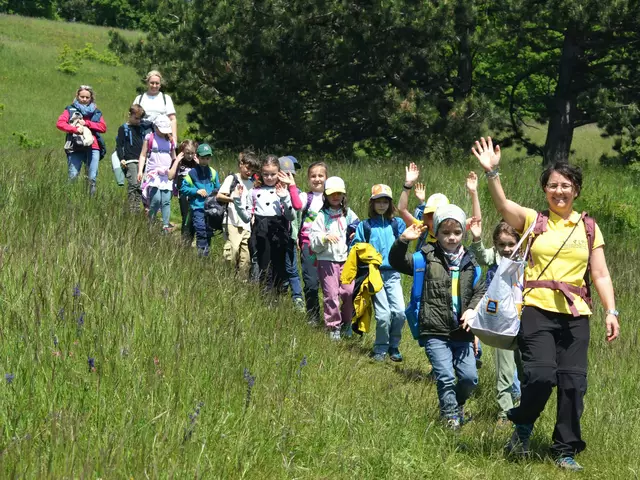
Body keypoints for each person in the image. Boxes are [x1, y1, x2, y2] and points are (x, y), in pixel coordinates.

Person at [472, 136, 620, 471]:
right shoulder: (533, 220)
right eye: (552, 186)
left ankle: (564, 450)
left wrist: (611, 311)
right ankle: (522, 424)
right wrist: (492, 174)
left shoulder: (589, 227)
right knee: (540, 376)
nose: (559, 191)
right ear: (545, 191)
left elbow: (600, 275)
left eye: (565, 185)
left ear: (576, 190)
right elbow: (503, 207)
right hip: (537, 309)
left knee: (573, 383)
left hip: (576, 314)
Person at [389, 205, 485, 429]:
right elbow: (397, 262)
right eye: (445, 233)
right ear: (437, 233)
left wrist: (471, 310)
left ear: (463, 233)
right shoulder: (426, 256)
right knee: (445, 376)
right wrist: (403, 240)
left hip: (462, 332)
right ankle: (450, 417)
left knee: (469, 378)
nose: (451, 238)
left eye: (457, 233)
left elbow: (481, 289)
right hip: (433, 328)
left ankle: (458, 405)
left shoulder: (470, 261)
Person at [468, 213, 522, 425]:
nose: (507, 249)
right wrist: (476, 238)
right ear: (496, 244)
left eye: (511, 244)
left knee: (526, 368)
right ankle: (504, 413)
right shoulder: (495, 258)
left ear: (519, 242)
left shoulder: (527, 261)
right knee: (505, 369)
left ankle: (525, 410)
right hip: (501, 322)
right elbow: (480, 255)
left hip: (524, 319)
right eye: (502, 244)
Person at [351, 184, 406, 362]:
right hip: (374, 274)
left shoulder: (397, 224)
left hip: (394, 274)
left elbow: (413, 232)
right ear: (372, 203)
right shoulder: (365, 226)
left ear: (390, 204)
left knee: (399, 312)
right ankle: (380, 348)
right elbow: (356, 247)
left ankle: (394, 346)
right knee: (383, 315)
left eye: (385, 202)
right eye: (378, 202)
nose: (381, 205)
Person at [231, 155, 295, 293]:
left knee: (279, 266)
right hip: (261, 232)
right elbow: (247, 218)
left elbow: (291, 216)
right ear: (260, 173)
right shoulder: (254, 192)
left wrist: (285, 198)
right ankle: (266, 296)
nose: (269, 177)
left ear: (279, 173)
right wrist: (237, 201)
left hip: (279, 231)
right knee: (263, 265)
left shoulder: (283, 191)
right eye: (266, 174)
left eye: (273, 174)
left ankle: (278, 295)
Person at [310, 177, 359, 341]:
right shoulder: (321, 216)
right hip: (327, 261)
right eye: (332, 194)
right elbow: (314, 240)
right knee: (331, 295)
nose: (336, 197)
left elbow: (359, 228)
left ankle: (347, 322)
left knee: (348, 291)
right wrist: (324, 237)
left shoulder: (349, 213)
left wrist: (354, 234)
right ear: (326, 195)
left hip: (346, 260)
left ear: (343, 195)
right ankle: (333, 327)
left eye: (339, 193)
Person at [56, 85, 107, 196]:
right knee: (73, 176)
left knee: (92, 178)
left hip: (93, 147)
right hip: (75, 146)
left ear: (91, 98)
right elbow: (60, 124)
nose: (84, 99)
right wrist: (75, 129)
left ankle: (90, 202)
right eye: (82, 96)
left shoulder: (97, 112)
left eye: (87, 97)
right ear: (77, 96)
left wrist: (87, 123)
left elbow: (103, 127)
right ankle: (68, 201)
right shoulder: (70, 109)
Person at [217, 150, 260, 277]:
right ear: (241, 164)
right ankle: (228, 276)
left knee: (245, 256)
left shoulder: (252, 183)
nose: (249, 172)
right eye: (247, 167)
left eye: (252, 170)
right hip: (232, 220)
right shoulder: (232, 178)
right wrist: (234, 199)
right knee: (233, 251)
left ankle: (242, 281)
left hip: (247, 224)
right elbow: (219, 196)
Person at [297, 161, 329, 326]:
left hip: (329, 248)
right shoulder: (305, 197)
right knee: (310, 283)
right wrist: (290, 187)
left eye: (320, 176)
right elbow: (296, 206)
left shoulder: (333, 198)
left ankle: (332, 319)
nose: (317, 179)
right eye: (313, 176)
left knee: (330, 286)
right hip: (308, 246)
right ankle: (313, 317)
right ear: (308, 179)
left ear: (326, 178)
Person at [179, 143, 220, 256]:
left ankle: (205, 254)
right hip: (197, 207)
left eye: (207, 158)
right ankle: (202, 256)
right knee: (201, 231)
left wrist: (215, 195)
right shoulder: (192, 173)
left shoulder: (213, 172)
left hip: (211, 208)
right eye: (202, 158)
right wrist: (195, 191)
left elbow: (218, 187)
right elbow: (183, 188)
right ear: (197, 157)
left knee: (209, 232)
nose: (205, 161)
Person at [137, 115, 176, 233]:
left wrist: (174, 171)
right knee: (156, 199)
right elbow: (143, 155)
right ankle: (151, 219)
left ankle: (165, 225)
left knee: (166, 200)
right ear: (155, 127)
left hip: (166, 174)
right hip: (153, 174)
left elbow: (173, 157)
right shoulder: (150, 138)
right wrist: (140, 170)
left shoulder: (170, 140)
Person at [397, 162, 450, 249]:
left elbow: (476, 221)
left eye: (439, 216)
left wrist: (473, 192)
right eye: (430, 215)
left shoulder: (452, 234)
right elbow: (402, 209)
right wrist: (408, 185)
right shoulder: (420, 228)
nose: (434, 220)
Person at [277, 156, 305, 311]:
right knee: (277, 267)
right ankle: (280, 292)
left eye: (291, 175)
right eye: (284, 175)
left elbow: (299, 214)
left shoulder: (298, 193)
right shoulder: (270, 191)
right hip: (273, 236)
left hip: (290, 236)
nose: (288, 179)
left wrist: (299, 237)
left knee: (292, 268)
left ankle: (297, 298)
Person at [116, 104, 146, 211]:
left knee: (139, 186)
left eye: (140, 118)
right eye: (136, 118)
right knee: (133, 184)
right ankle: (131, 208)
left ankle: (136, 209)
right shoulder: (123, 128)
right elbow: (119, 145)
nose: (138, 121)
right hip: (130, 160)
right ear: (130, 115)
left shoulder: (142, 128)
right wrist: (121, 158)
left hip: (142, 161)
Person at [132, 70, 177, 139]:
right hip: (142, 136)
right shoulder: (139, 99)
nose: (154, 85)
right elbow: (133, 117)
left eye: (157, 83)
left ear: (160, 84)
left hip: (162, 136)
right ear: (147, 83)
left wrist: (174, 137)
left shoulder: (166, 99)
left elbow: (172, 119)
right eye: (152, 83)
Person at [174, 139, 199, 244]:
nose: (189, 156)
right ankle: (185, 241)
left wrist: (198, 164)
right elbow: (170, 175)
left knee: (194, 216)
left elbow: (205, 176)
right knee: (186, 217)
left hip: (195, 193)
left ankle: (191, 238)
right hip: (184, 193)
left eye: (192, 153)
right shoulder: (180, 163)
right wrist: (176, 161)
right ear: (182, 152)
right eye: (187, 153)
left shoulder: (196, 164)